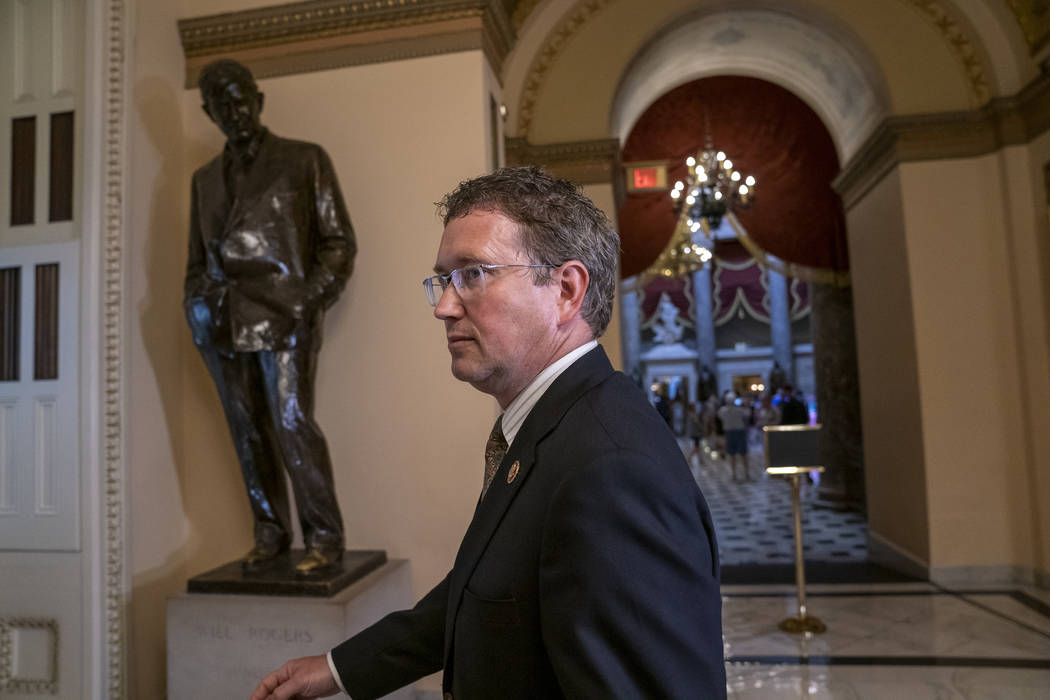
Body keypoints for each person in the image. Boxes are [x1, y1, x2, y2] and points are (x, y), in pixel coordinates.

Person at [250, 167, 725, 699]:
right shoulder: (553, 422)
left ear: (566, 290)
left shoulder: (610, 470)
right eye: (444, 279)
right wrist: (341, 668)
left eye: (473, 275)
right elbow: (494, 588)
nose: (443, 307)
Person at [183, 59, 357, 574]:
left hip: (285, 315)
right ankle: (270, 534)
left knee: (291, 423)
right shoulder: (204, 179)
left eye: (241, 99)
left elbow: (339, 243)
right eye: (222, 104)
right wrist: (195, 304)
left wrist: (306, 301)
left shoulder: (304, 159)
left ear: (258, 99)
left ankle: (325, 537)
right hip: (219, 320)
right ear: (208, 112)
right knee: (247, 431)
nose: (234, 112)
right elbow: (196, 256)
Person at [718, 394, 751, 481]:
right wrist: (746, 405)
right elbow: (747, 414)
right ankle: (746, 473)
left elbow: (720, 416)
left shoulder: (723, 410)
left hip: (729, 433)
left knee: (732, 454)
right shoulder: (739, 410)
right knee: (742, 454)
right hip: (739, 432)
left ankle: (734, 474)